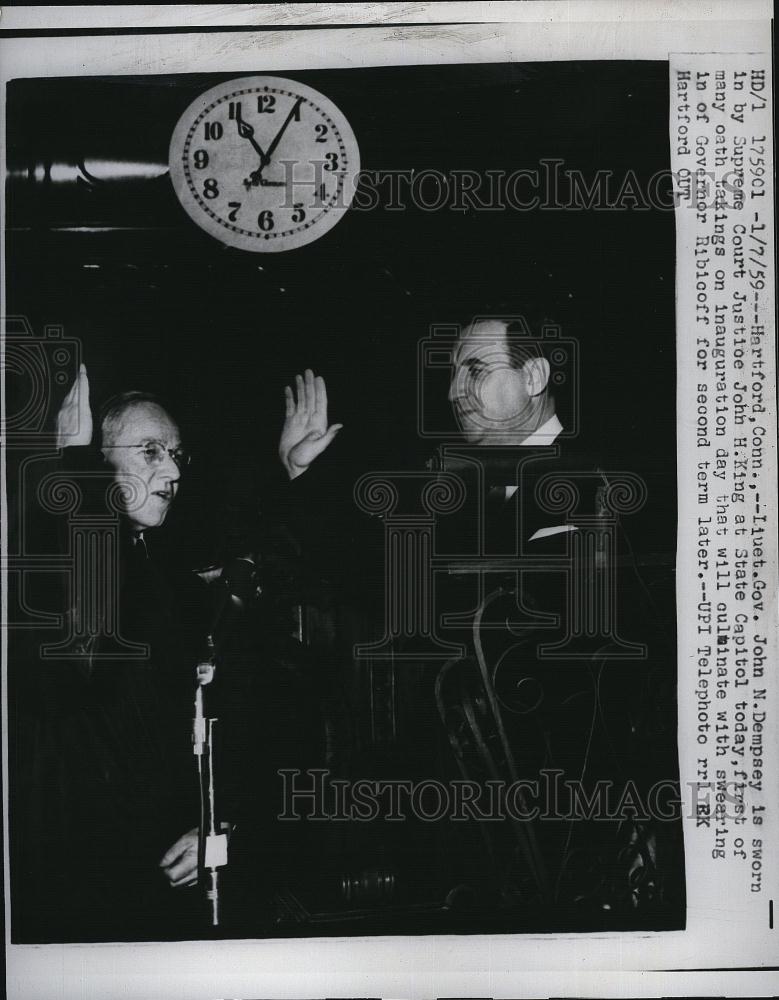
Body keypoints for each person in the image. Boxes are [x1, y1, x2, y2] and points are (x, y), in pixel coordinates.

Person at [13, 363, 340, 941]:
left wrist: (220, 826)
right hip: (83, 885)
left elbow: (247, 699)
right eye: (150, 451)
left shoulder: (158, 575)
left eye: (177, 455)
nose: (172, 471)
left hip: (160, 879)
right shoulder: (56, 568)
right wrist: (68, 463)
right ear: (99, 461)